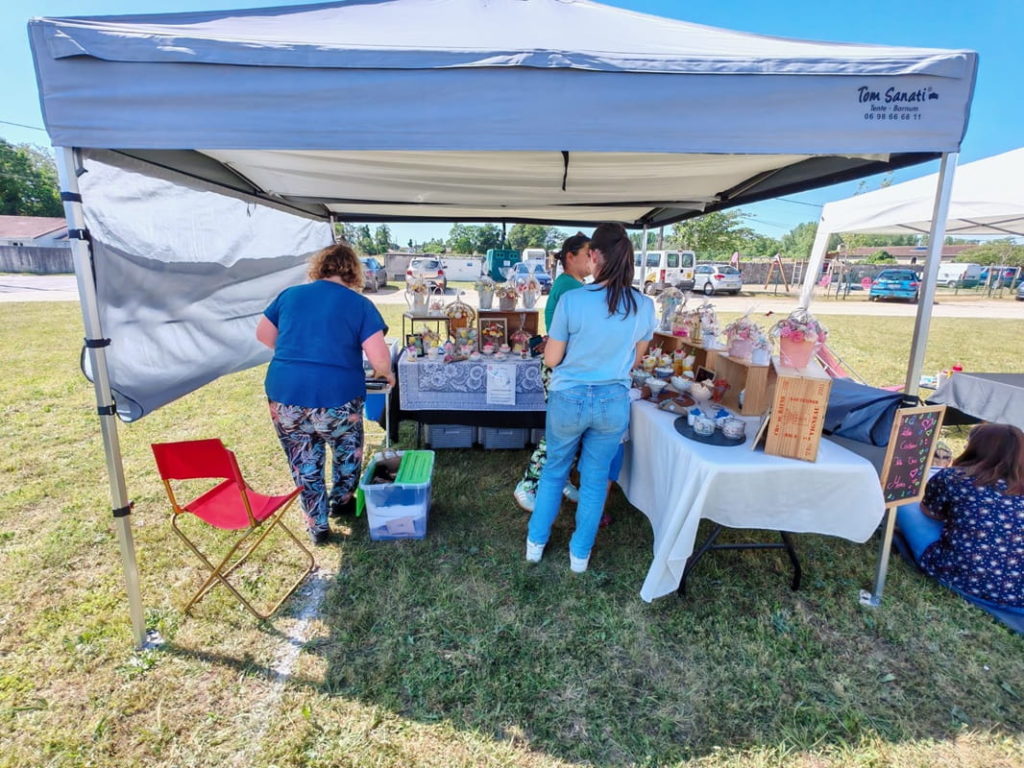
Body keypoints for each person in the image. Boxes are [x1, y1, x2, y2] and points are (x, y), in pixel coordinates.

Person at [525, 223, 656, 572]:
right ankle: (579, 555)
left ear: (595, 256)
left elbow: (551, 359)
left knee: (554, 472)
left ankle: (535, 544)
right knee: (595, 479)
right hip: (612, 400)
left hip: (569, 397)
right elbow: (636, 359)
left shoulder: (572, 300)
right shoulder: (643, 305)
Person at [256, 243, 395, 544]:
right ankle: (342, 502)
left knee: (303, 460)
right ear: (353, 272)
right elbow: (379, 359)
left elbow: (264, 336)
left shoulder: (289, 295)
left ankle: (316, 524)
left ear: (319, 267)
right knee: (347, 450)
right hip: (338, 396)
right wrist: (387, 374)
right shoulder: (358, 305)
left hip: (285, 392)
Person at [897, 423, 1024, 614]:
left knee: (903, 501)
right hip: (1016, 595)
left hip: (961, 577)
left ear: (976, 447)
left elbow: (930, 513)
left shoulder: (953, 478)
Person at [514, 232, 592, 512]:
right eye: (587, 253)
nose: (592, 259)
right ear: (570, 257)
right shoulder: (571, 287)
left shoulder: (572, 284)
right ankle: (528, 483)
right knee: (561, 433)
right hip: (563, 368)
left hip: (566, 367)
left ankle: (557, 480)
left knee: (571, 431)